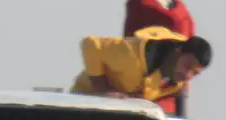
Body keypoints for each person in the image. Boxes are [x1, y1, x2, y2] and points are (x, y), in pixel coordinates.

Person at [124, 0, 195, 117]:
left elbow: (128, 47)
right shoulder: (177, 4)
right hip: (177, 95)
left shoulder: (138, 1)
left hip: (144, 96)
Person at [68, 25, 212, 108]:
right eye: (187, 66)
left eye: (195, 73)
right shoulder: (131, 57)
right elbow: (90, 44)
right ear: (178, 51)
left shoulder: (175, 84)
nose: (188, 76)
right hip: (82, 103)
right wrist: (102, 88)